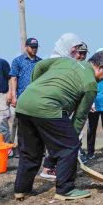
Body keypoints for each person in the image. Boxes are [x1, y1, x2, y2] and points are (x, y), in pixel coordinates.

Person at [14, 52, 103, 201]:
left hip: (25, 102)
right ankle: (65, 189)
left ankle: (21, 190)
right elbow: (79, 117)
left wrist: (37, 87)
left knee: (30, 151)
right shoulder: (91, 84)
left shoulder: (65, 61)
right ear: (100, 67)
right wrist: (71, 142)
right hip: (49, 106)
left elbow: (40, 65)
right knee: (69, 146)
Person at [40, 33, 85, 179]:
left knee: (64, 140)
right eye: (74, 48)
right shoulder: (54, 61)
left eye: (78, 49)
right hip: (53, 106)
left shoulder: (69, 61)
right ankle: (51, 169)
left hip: (64, 106)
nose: (76, 52)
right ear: (66, 45)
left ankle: (52, 168)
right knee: (61, 140)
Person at [8, 38, 42, 155]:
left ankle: (37, 150)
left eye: (36, 47)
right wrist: (13, 96)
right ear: (26, 47)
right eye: (32, 47)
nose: (34, 49)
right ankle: (21, 150)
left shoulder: (40, 62)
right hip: (22, 97)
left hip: (37, 98)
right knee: (21, 124)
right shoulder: (17, 61)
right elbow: (13, 78)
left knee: (37, 124)